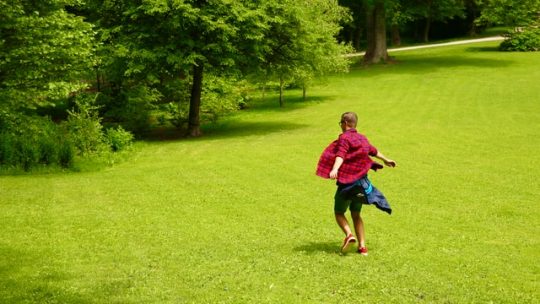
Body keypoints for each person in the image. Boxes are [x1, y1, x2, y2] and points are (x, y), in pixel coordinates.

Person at [316, 112, 396, 255]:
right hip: (361, 184)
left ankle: (349, 235)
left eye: (340, 123)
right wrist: (386, 159)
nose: (340, 126)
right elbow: (374, 151)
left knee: (339, 212)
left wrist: (335, 169)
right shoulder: (362, 138)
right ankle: (363, 248)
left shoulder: (345, 139)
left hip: (348, 185)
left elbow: (340, 154)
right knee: (356, 214)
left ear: (345, 123)